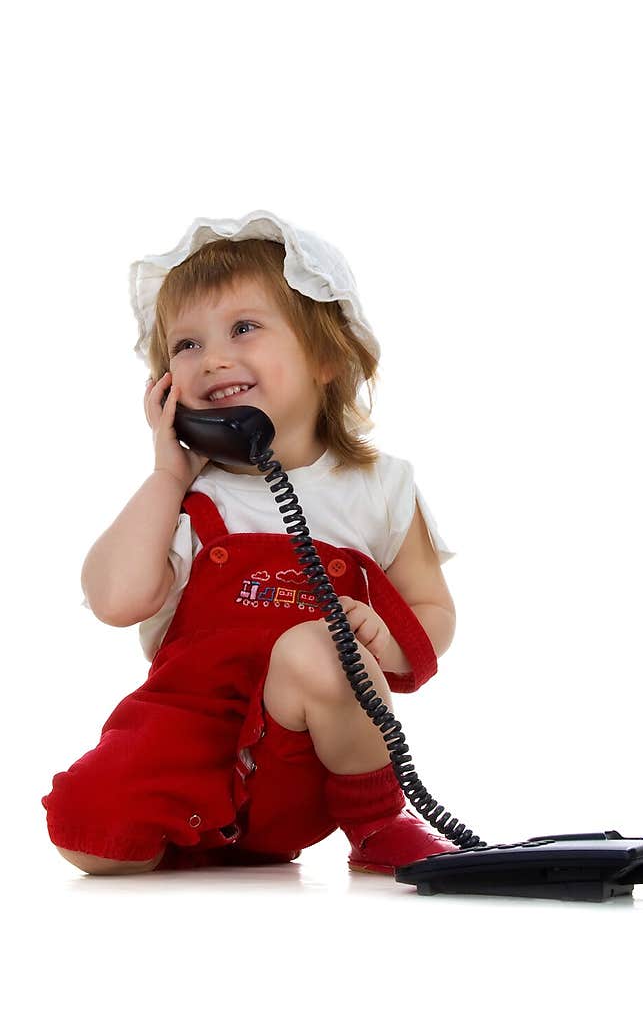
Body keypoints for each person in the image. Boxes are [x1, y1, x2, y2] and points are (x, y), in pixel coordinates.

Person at [42, 209, 460, 876]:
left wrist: (383, 635)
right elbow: (115, 598)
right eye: (184, 345)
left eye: (244, 328)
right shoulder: (186, 495)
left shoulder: (379, 487)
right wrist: (166, 475)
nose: (213, 358)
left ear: (327, 355)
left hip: (305, 758)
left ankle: (379, 821)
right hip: (190, 735)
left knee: (315, 646)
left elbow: (433, 610)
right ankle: (198, 835)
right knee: (82, 831)